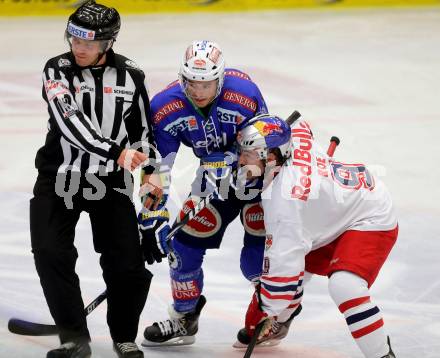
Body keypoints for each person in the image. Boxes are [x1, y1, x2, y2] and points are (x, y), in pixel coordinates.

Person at [31, 1, 156, 357]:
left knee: (128, 265)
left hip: (110, 182)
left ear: (108, 42)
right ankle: (74, 337)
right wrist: (117, 152)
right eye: (74, 38)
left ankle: (124, 335)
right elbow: (71, 125)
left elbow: (143, 135)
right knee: (49, 251)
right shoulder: (57, 69)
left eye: (88, 42)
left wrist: (152, 181)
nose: (79, 48)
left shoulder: (132, 76)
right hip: (60, 177)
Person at [138, 40, 268, 346]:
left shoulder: (245, 94)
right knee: (181, 246)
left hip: (258, 179)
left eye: (206, 83)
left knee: (258, 253)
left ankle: (273, 314)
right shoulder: (165, 106)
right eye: (192, 82)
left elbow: (267, 145)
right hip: (210, 177)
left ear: (220, 79)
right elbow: (158, 165)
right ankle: (184, 317)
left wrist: (241, 164)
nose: (198, 91)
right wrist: (153, 212)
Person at [235, 114, 398, 357]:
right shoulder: (292, 140)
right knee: (298, 263)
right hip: (335, 211)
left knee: (345, 286)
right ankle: (282, 320)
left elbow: (280, 288)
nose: (240, 160)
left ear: (270, 158)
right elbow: (301, 126)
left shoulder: (283, 205)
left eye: (247, 155)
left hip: (369, 214)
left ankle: (383, 355)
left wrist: (264, 307)